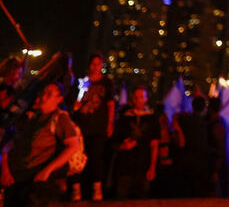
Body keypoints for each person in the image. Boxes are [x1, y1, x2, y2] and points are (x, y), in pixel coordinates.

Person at [1, 83, 82, 207]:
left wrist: (47, 170)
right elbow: (10, 145)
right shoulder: (34, 118)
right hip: (15, 180)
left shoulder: (60, 118)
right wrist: (6, 170)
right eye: (43, 93)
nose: (44, 97)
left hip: (34, 182)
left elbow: (73, 146)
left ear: (59, 99)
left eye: (49, 94)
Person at [71, 53, 115, 201]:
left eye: (98, 64)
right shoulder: (82, 82)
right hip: (82, 126)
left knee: (96, 158)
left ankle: (97, 189)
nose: (95, 67)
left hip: (98, 127)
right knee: (78, 158)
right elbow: (75, 103)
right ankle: (76, 189)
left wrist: (110, 123)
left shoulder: (107, 83)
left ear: (101, 66)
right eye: (93, 63)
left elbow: (110, 104)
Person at [111, 85, 158, 200]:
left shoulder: (152, 119)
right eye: (136, 97)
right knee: (122, 196)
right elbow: (114, 143)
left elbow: (154, 144)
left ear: (146, 99)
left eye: (141, 97)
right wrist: (123, 146)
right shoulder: (124, 118)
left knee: (142, 196)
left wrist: (152, 167)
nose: (138, 100)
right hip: (125, 166)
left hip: (143, 164)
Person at [172, 96, 211, 197]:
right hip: (199, 165)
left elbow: (176, 117)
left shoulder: (184, 119)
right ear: (204, 108)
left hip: (185, 163)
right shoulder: (204, 123)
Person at [205, 97, 229, 197]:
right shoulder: (218, 123)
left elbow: (220, 148)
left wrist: (216, 170)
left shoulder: (216, 125)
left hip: (216, 164)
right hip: (216, 163)